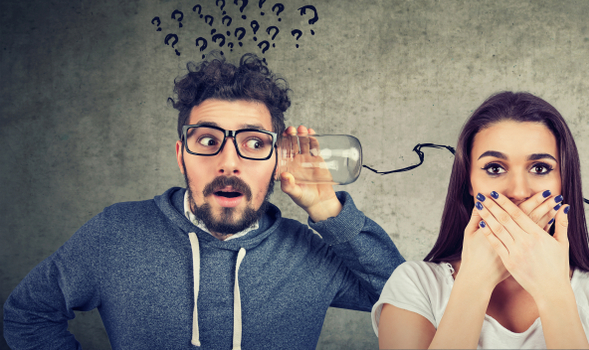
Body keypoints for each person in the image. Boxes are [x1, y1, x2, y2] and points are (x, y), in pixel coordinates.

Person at [3, 52, 405, 349]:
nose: (229, 163)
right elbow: (27, 314)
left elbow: (407, 298)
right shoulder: (116, 233)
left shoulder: (311, 254)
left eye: (253, 143)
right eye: (209, 141)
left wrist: (327, 210)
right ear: (181, 155)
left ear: (278, 160)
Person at [372, 91, 589, 349]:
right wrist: (474, 281)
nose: (518, 191)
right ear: (469, 182)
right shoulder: (416, 285)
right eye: (494, 168)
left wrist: (552, 290)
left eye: (540, 168)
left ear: (564, 181)